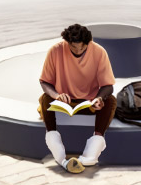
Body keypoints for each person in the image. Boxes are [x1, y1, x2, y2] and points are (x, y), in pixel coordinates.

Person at [39, 23, 115, 171]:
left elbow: (108, 86)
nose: (78, 51)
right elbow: (45, 82)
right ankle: (59, 154)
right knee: (44, 99)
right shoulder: (55, 51)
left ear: (88, 43)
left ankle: (91, 154)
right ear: (67, 42)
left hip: (89, 103)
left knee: (110, 101)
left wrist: (98, 98)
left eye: (82, 47)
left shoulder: (99, 52)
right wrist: (56, 95)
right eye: (73, 47)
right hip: (63, 101)